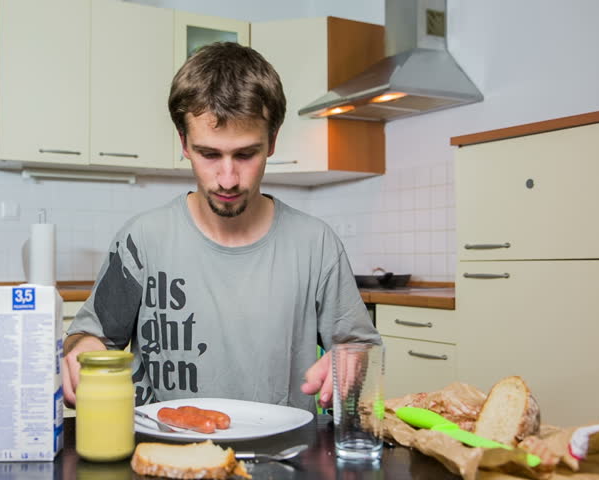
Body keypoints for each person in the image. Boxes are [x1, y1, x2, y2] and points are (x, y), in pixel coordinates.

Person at [61, 42, 380, 413]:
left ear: (272, 142)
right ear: (184, 142)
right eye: (209, 154)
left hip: (284, 457)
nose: (227, 179)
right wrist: (82, 349)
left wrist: (351, 362)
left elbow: (359, 346)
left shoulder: (315, 243)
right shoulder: (143, 241)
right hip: (165, 453)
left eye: (245, 154)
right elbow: (89, 336)